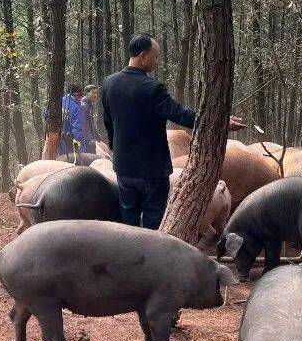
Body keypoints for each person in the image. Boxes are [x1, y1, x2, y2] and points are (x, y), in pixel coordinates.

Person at [101, 34, 245, 230]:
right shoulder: (152, 88)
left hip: (124, 168)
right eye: (155, 56)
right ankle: (152, 259)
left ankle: (130, 258)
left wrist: (117, 151)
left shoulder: (109, 83)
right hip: (152, 171)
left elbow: (108, 123)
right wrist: (220, 123)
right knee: (153, 223)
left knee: (129, 222)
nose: (157, 61)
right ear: (143, 55)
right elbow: (181, 115)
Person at [58, 84, 84, 156]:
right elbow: (77, 129)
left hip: (57, 139)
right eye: (80, 95)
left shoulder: (58, 102)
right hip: (69, 140)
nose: (81, 98)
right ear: (75, 94)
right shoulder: (75, 107)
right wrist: (81, 147)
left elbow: (46, 113)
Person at [74, 84, 99, 154]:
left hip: (89, 139)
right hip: (85, 141)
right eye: (93, 92)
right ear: (86, 94)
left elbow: (91, 123)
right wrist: (90, 139)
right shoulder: (84, 106)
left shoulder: (89, 105)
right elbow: (83, 124)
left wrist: (96, 135)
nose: (95, 95)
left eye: (96, 93)